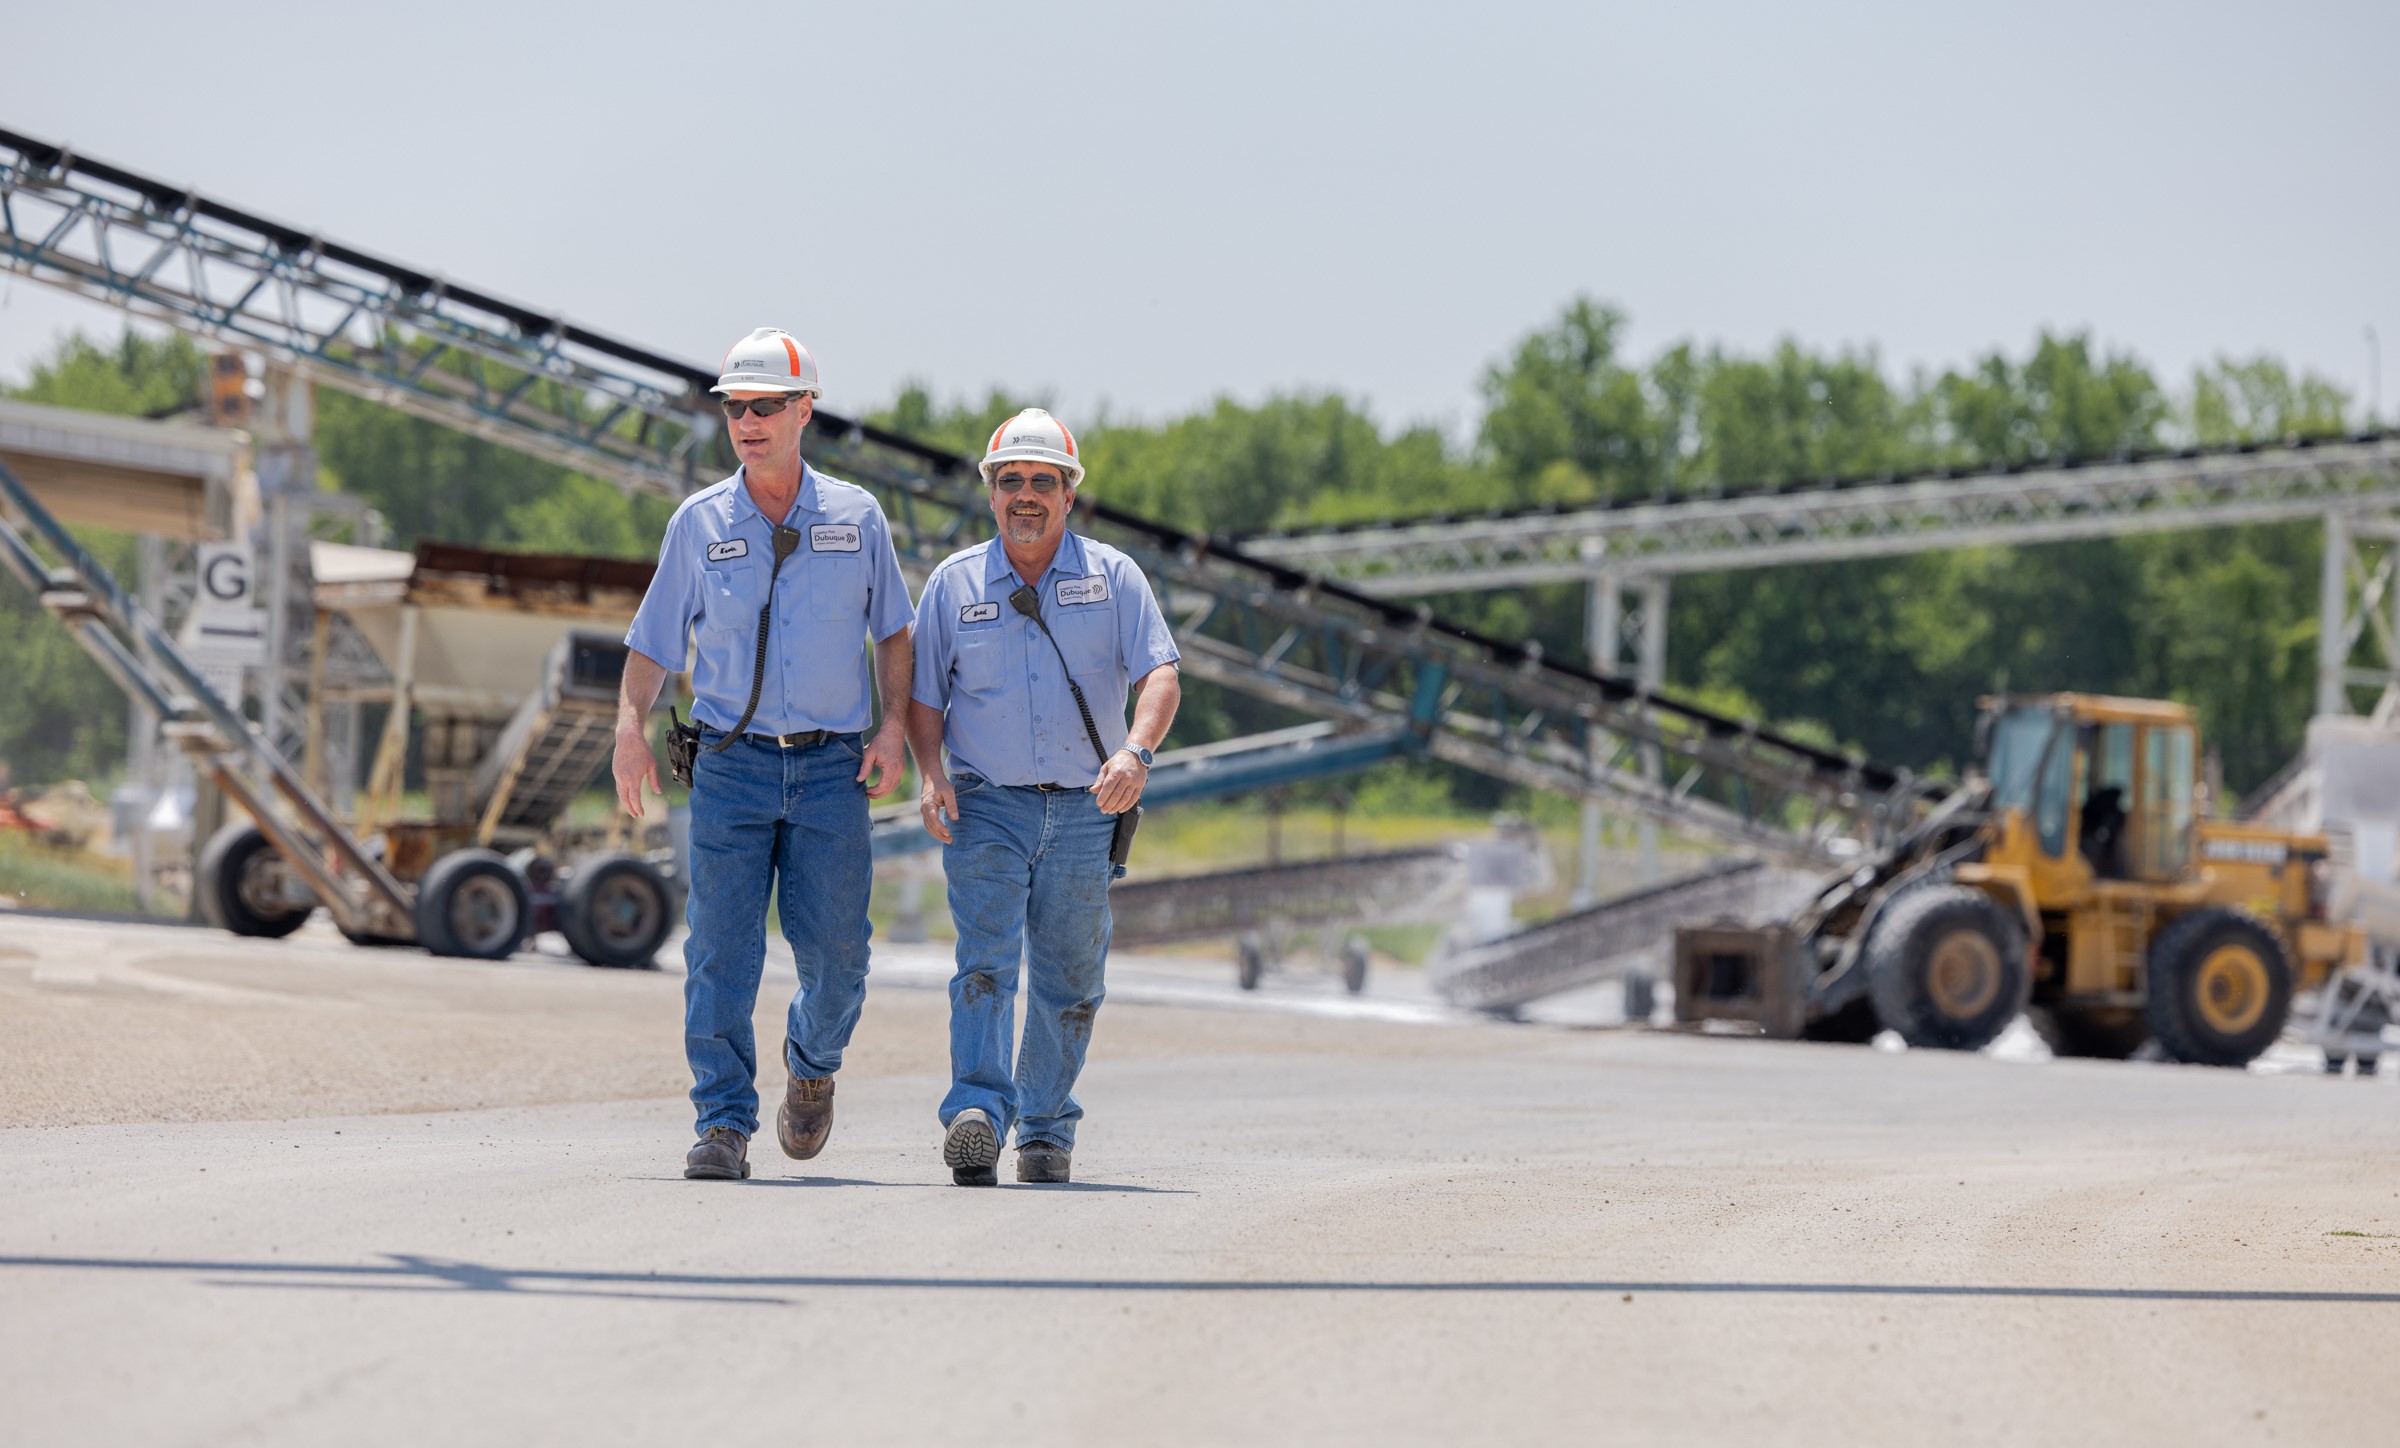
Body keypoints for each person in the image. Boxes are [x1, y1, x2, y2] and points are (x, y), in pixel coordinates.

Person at [612, 327, 914, 1182]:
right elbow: (652, 642)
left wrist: (892, 730)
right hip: (731, 766)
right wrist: (630, 729)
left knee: (839, 958)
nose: (746, 421)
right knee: (718, 950)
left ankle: (811, 1067)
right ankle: (723, 1124)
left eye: (764, 406)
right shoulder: (698, 523)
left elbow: (894, 633)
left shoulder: (857, 518)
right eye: (735, 407)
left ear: (803, 410)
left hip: (831, 769)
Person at [906, 407, 1181, 1186]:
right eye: (1011, 481)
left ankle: (1047, 1129)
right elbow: (924, 697)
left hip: (1089, 811)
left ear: (1069, 495)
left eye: (1042, 482)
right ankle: (978, 1116)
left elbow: (1161, 672)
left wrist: (1137, 750)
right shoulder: (953, 585)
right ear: (991, 494)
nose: (1025, 494)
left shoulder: (1114, 577)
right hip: (987, 804)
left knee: (1070, 980)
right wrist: (931, 776)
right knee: (985, 965)